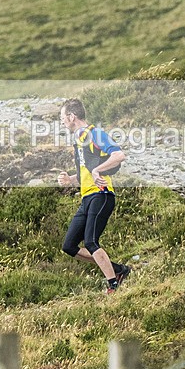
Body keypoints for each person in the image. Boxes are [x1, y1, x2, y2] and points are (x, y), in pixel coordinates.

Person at [57, 98, 131, 294]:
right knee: (69, 245)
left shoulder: (94, 134)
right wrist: (71, 180)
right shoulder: (80, 140)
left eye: (63, 117)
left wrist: (98, 170)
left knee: (90, 242)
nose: (62, 121)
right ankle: (117, 269)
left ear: (72, 117)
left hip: (102, 194)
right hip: (87, 197)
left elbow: (118, 155)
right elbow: (86, 173)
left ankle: (113, 285)